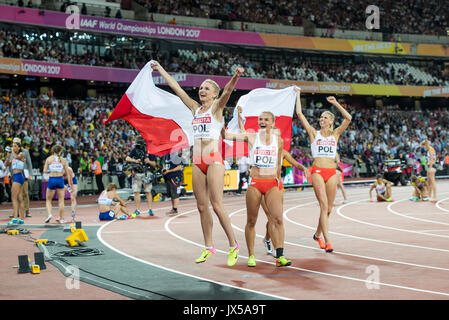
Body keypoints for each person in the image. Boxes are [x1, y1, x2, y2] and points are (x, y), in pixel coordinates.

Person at [150, 60, 243, 266]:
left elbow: (227, 92)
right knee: (202, 207)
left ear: (214, 94)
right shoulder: (195, 109)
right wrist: (161, 69)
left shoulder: (217, 109)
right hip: (197, 161)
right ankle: (209, 246)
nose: (202, 90)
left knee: (217, 205)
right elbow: (176, 88)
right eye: (200, 88)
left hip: (214, 160)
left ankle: (233, 244)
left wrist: (235, 76)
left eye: (206, 88)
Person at [224, 112, 291, 267]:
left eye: (266, 119)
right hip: (255, 183)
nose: (262, 121)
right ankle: (251, 255)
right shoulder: (251, 137)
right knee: (251, 221)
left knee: (278, 219)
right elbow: (228, 135)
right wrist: (220, 127)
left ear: (273, 123)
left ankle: (280, 256)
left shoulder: (278, 141)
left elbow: (279, 163)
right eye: (260, 119)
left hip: (272, 183)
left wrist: (279, 180)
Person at [295, 88, 352, 253]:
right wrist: (298, 94)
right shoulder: (314, 133)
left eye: (325, 117)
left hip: (332, 172)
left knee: (328, 208)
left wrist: (336, 104)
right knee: (323, 205)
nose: (321, 119)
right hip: (318, 171)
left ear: (331, 121)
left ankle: (318, 234)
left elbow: (348, 118)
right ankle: (328, 241)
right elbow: (299, 113)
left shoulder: (335, 134)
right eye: (321, 117)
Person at [261, 148, 310, 257]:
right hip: (263, 184)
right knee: (270, 217)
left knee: (276, 218)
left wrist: (303, 168)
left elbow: (295, 163)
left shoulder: (282, 152)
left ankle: (267, 239)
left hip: (277, 186)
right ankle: (276, 248)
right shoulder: (260, 149)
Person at [125, 138, 157, 216]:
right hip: (137, 173)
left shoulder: (150, 150)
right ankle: (137, 210)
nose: (138, 147)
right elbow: (127, 158)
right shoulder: (135, 149)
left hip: (147, 173)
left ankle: (150, 209)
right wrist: (135, 161)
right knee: (136, 191)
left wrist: (148, 161)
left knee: (148, 191)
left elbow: (155, 164)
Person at [43, 145, 73, 224]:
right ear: (60, 152)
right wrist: (69, 183)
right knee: (61, 200)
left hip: (52, 179)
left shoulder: (49, 159)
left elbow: (44, 171)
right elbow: (68, 173)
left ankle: (49, 214)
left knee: (48, 200)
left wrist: (51, 170)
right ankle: (62, 219)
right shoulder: (63, 160)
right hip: (60, 180)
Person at [5, 141, 26, 222]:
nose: (13, 148)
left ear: (19, 147)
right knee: (20, 198)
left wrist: (12, 152)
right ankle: (21, 218)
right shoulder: (13, 156)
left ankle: (15, 217)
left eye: (15, 146)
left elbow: (17, 157)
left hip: (18, 176)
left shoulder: (21, 154)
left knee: (14, 197)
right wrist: (8, 155)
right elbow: (7, 164)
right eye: (13, 146)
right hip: (16, 177)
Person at [12, 137, 33, 217]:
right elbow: (11, 162)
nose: (14, 145)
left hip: (23, 173)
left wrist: (30, 174)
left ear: (19, 144)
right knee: (16, 194)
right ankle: (16, 212)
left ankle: (27, 210)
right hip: (14, 174)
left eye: (16, 143)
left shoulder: (25, 152)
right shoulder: (12, 152)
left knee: (25, 193)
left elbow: (29, 163)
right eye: (13, 143)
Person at [162, 151, 184, 215]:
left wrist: (169, 171)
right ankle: (173, 208)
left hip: (175, 177)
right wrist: (163, 169)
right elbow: (164, 164)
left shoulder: (175, 155)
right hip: (168, 177)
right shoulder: (166, 155)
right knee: (171, 194)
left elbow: (180, 167)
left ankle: (175, 209)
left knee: (175, 193)